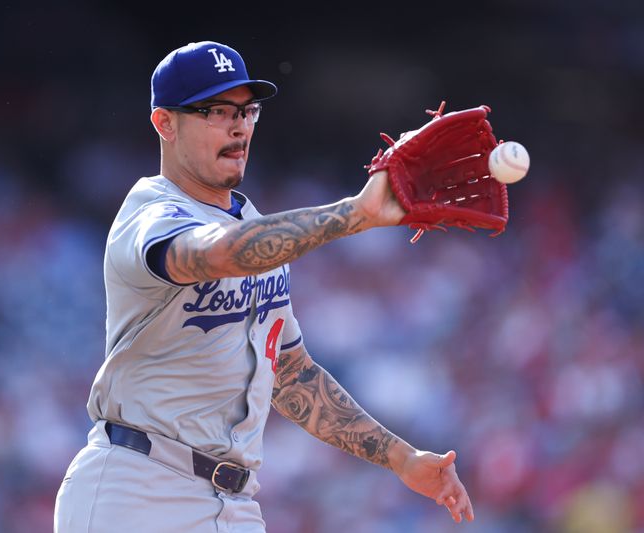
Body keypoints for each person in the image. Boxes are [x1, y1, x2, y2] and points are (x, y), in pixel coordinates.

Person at [54, 40, 474, 532]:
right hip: (137, 488)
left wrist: (402, 459)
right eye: (214, 110)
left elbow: (292, 375)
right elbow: (218, 253)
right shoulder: (150, 214)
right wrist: (355, 215)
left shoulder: (254, 226)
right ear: (165, 123)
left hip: (234, 503)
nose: (238, 125)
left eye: (247, 110)